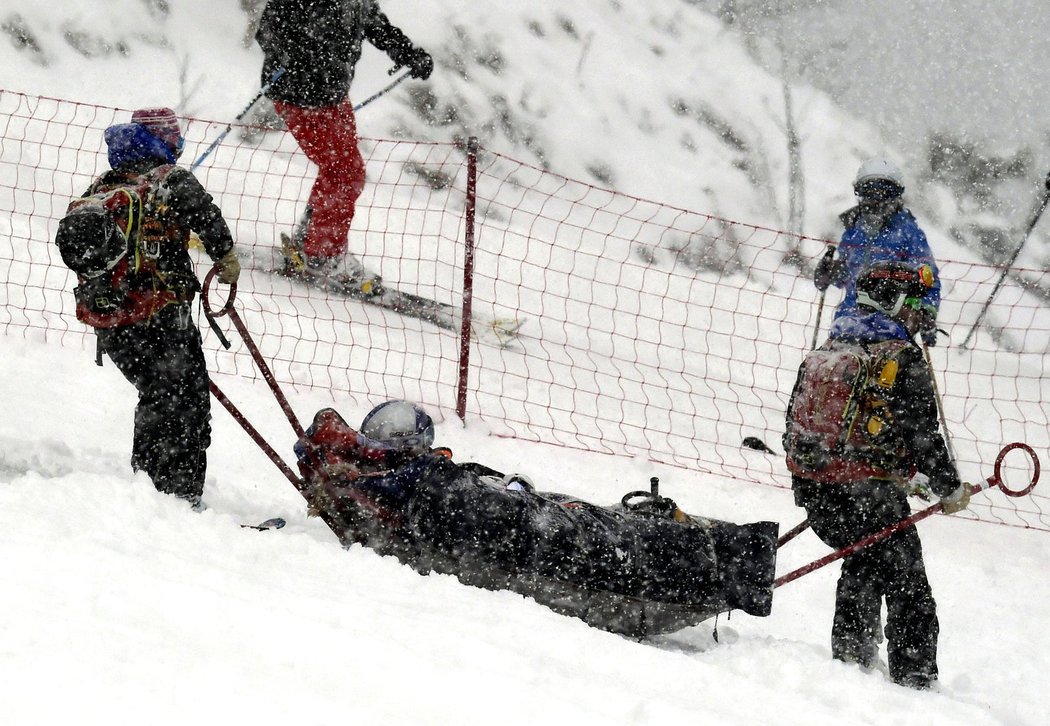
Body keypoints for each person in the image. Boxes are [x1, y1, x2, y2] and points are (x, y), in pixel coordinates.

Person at [292, 400, 780, 637]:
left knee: (601, 527)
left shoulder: (415, 485)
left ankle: (728, 555)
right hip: (556, 541)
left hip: (530, 520)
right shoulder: (429, 492)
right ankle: (729, 560)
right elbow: (528, 530)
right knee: (615, 541)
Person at [783, 260, 970, 690]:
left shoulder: (828, 350)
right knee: (909, 584)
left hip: (818, 492)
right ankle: (915, 676)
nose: (921, 317)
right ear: (898, 303)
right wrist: (949, 489)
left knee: (864, 559)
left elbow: (792, 425)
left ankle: (852, 659)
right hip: (867, 495)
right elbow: (924, 436)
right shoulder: (900, 357)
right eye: (918, 306)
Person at [69, 108, 241, 508]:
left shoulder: (102, 187)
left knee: (157, 397)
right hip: (163, 317)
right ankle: (178, 496)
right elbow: (206, 215)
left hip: (113, 323)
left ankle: (149, 491)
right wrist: (226, 258)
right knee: (187, 403)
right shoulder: (169, 180)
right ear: (164, 140)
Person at [255, 0, 434, 293]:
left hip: (332, 93)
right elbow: (268, 30)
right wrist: (295, 54)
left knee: (341, 170)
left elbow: (372, 21)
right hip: (301, 93)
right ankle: (321, 255)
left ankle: (310, 242)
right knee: (345, 172)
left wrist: (406, 51)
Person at [815, 158, 942, 346]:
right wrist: (831, 273)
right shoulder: (854, 231)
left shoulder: (907, 232)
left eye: (884, 192)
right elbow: (849, 276)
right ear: (860, 193)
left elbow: (928, 279)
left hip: (892, 326)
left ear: (896, 195)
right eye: (869, 192)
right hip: (849, 323)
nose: (876, 200)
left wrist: (926, 312)